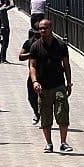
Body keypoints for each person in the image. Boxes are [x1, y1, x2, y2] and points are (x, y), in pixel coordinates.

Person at [28, 18, 74, 153]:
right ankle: (49, 143)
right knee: (45, 116)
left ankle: (63, 142)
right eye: (41, 28)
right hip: (43, 87)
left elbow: (66, 65)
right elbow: (32, 66)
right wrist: (35, 81)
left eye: (45, 28)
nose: (43, 31)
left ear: (51, 28)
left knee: (62, 113)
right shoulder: (35, 46)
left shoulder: (60, 45)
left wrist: (69, 82)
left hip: (59, 85)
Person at [18, 34, 40, 125]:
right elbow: (21, 56)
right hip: (33, 74)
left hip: (46, 74)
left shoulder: (49, 42)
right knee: (31, 97)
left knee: (45, 98)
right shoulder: (29, 43)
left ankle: (45, 119)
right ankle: (36, 112)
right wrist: (31, 54)